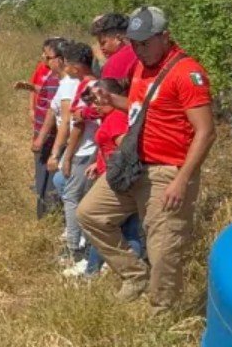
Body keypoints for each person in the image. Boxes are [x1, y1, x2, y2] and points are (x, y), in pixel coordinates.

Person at [77, 7, 216, 312]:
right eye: (134, 43)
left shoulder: (186, 73)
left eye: (144, 43)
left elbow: (206, 132)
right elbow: (142, 108)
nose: (139, 50)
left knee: (163, 248)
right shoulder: (141, 67)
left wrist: (182, 180)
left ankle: (163, 313)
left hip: (168, 170)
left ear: (164, 37)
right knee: (89, 214)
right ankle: (134, 274)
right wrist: (113, 101)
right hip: (135, 165)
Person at [67, 78, 143, 278]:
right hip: (112, 177)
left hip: (119, 183)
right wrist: (98, 164)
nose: (93, 106)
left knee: (111, 226)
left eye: (96, 101)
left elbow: (126, 150)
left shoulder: (116, 118)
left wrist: (113, 170)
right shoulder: (111, 117)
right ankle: (105, 270)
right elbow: (109, 147)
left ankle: (103, 272)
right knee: (117, 228)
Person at [52, 42, 99, 263]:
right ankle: (81, 243)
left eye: (68, 64)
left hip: (85, 151)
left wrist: (68, 156)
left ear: (76, 67)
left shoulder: (89, 88)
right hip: (87, 149)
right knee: (67, 188)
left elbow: (78, 125)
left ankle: (75, 248)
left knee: (72, 198)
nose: (65, 68)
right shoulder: (90, 85)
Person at [18, 38, 65, 219]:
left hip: (49, 140)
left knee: (48, 181)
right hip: (46, 138)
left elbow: (52, 113)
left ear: (60, 58)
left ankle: (48, 216)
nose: (44, 59)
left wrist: (41, 139)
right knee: (43, 179)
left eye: (48, 56)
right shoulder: (53, 76)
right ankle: (45, 215)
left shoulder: (59, 81)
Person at [92, 13, 138, 85]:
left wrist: (104, 62)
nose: (101, 48)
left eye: (103, 43)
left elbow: (108, 90)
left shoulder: (115, 63)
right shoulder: (145, 51)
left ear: (118, 38)